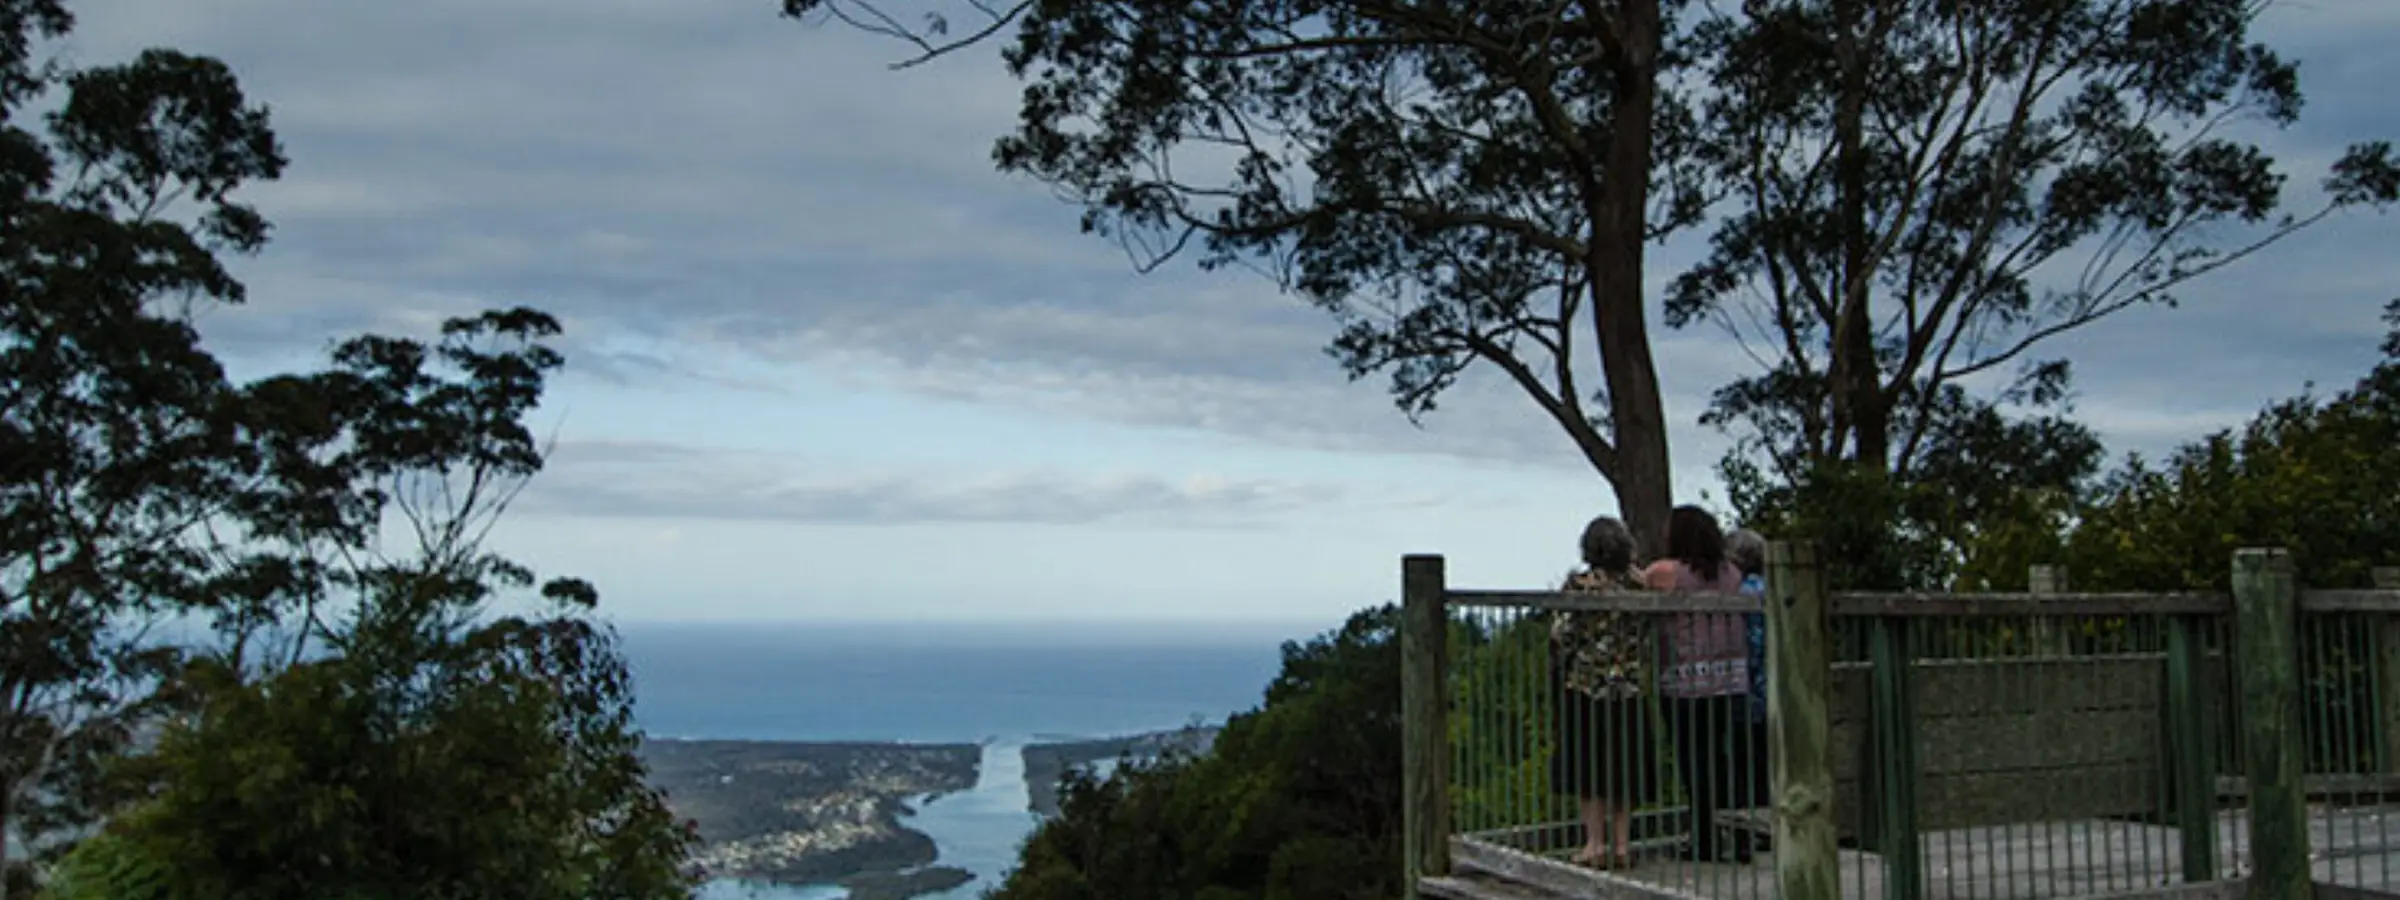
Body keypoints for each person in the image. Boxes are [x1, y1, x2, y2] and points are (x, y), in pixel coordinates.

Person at [1644, 506, 1756, 863]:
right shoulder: (1732, 573)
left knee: (1695, 761)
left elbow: (1639, 582)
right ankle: (1741, 835)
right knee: (1728, 760)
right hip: (1731, 677)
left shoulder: (1667, 573)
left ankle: (1704, 838)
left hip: (1685, 679)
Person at [1548, 516, 1661, 870]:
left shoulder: (1580, 586)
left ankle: (1594, 843)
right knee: (1624, 766)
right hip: (1629, 687)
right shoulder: (1641, 586)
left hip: (1587, 686)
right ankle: (1623, 844)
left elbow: (1561, 634)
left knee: (1588, 768)